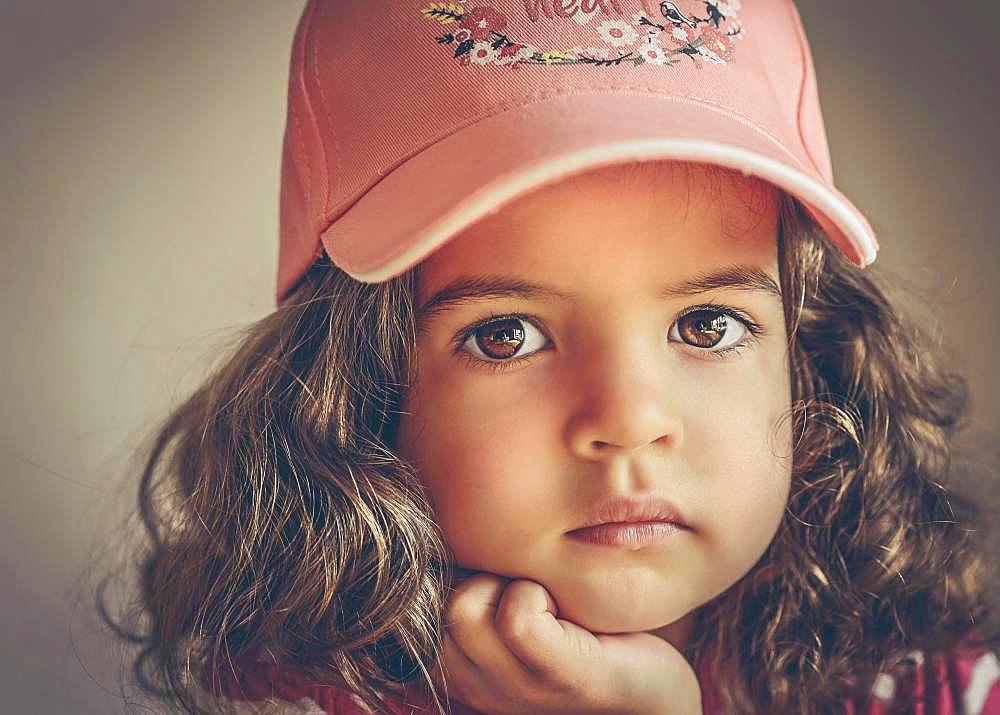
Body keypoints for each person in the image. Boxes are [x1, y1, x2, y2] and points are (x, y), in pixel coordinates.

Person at [99, 1, 1000, 713]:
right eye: (506, 334)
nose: (627, 419)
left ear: (811, 365)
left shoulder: (929, 688)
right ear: (356, 394)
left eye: (708, 325)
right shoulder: (293, 703)